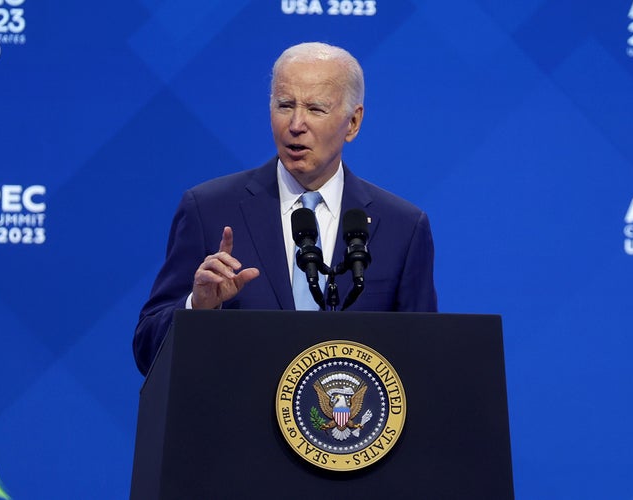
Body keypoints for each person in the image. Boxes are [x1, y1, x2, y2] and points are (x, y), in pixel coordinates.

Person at [133, 42, 437, 375]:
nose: (295, 124)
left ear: (353, 122)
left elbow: (423, 362)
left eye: (315, 109)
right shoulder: (208, 209)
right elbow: (148, 350)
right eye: (284, 105)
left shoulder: (402, 227)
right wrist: (198, 307)